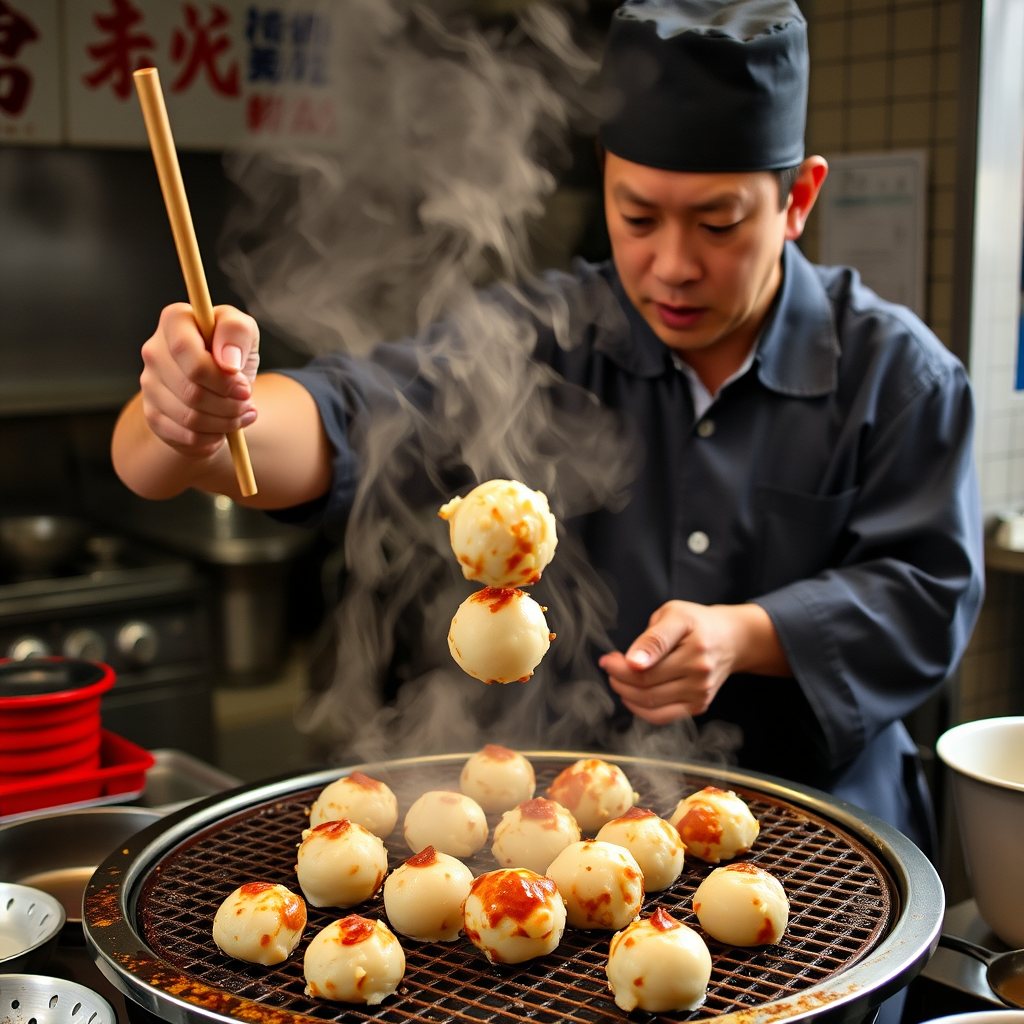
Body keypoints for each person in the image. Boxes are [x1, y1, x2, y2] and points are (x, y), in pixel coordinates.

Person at [112, 0, 983, 859]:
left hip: (823, 840)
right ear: (604, 178)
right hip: (569, 844)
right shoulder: (541, 335)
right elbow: (351, 414)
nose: (673, 266)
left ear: (797, 199)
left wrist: (748, 634)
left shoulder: (896, 375)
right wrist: (195, 417)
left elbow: (930, 593)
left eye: (719, 223)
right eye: (638, 217)